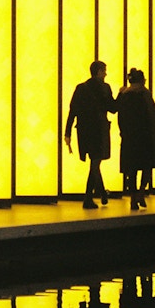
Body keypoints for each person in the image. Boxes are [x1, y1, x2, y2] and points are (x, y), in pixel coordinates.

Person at [65, 60, 118, 209]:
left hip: (84, 130)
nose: (106, 73)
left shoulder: (81, 88)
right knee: (96, 161)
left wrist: (67, 132)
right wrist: (121, 95)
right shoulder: (105, 88)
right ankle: (93, 195)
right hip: (99, 129)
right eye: (104, 71)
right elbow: (113, 108)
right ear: (99, 71)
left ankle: (97, 195)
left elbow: (72, 111)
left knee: (94, 161)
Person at [117, 68, 155, 210]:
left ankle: (132, 197)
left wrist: (124, 133)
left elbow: (121, 117)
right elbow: (153, 117)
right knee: (147, 166)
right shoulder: (145, 95)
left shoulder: (125, 96)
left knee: (131, 169)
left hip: (130, 137)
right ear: (142, 80)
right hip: (146, 136)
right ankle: (141, 192)